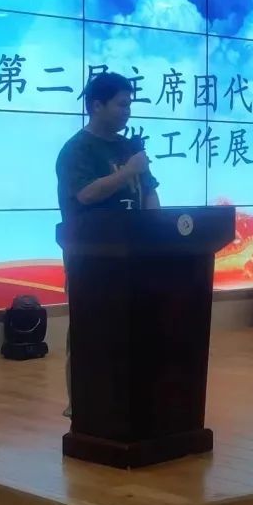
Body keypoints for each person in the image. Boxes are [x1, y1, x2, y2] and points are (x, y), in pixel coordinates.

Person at [56, 72, 160, 417]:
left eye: (130, 105)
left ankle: (128, 396)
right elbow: (86, 194)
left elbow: (149, 191)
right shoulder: (77, 150)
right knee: (89, 328)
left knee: (134, 327)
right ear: (96, 106)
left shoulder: (129, 147)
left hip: (135, 253)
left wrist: (159, 232)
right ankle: (81, 403)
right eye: (121, 105)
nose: (127, 112)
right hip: (91, 256)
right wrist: (127, 171)